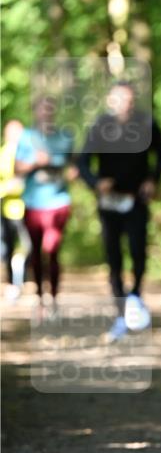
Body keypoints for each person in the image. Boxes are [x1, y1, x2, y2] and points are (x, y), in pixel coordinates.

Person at [78, 81, 161, 342]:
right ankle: (120, 312)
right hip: (109, 203)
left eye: (128, 99)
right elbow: (83, 161)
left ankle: (135, 296)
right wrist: (96, 183)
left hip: (136, 200)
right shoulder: (100, 126)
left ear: (133, 101)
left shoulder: (146, 123)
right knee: (113, 256)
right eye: (119, 99)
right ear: (110, 101)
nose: (124, 104)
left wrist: (152, 179)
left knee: (138, 251)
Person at [14, 98, 76, 320]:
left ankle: (54, 299)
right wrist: (35, 163)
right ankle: (40, 299)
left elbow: (75, 165)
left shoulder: (65, 137)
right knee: (36, 252)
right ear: (35, 112)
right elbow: (16, 169)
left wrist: (73, 173)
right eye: (42, 109)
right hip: (33, 203)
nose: (46, 114)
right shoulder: (27, 137)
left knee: (52, 249)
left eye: (50, 109)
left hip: (58, 202)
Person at [0, 119, 31, 300]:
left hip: (28, 208)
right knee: (7, 248)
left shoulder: (29, 154)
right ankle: (13, 284)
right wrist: (8, 188)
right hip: (7, 210)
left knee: (29, 246)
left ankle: (20, 274)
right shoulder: (3, 154)